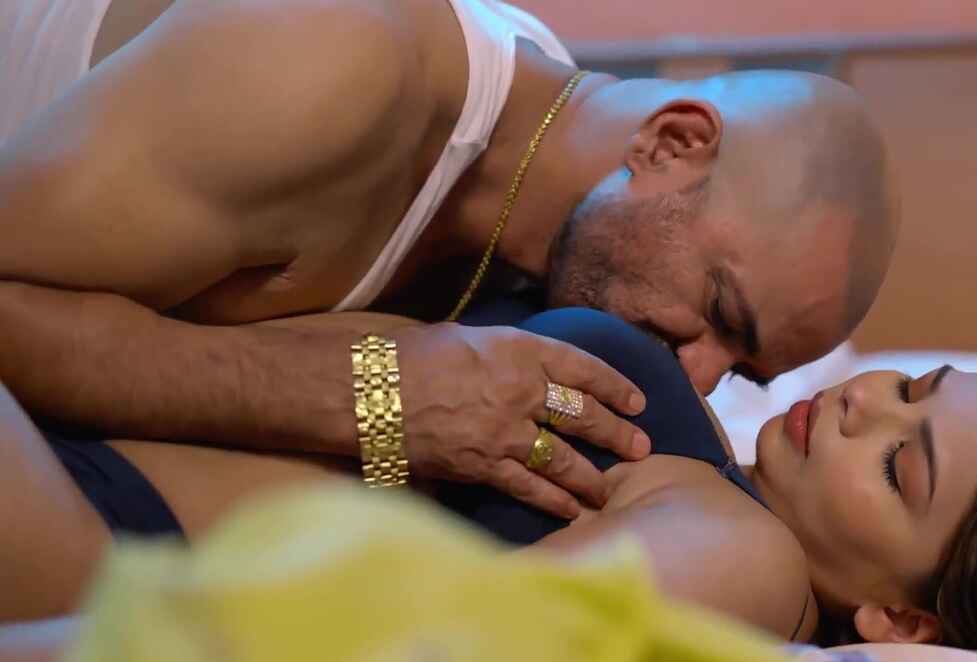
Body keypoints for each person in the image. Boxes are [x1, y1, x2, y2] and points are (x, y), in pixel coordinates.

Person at [0, 0, 896, 521]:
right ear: (670, 142)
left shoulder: (548, 237)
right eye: (721, 313)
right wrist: (365, 399)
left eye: (738, 372)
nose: (694, 375)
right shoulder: (333, 67)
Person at [0, 302, 977, 662]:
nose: (860, 405)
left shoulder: (743, 557)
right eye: (905, 386)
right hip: (83, 448)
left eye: (901, 465)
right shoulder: (706, 458)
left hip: (90, 554)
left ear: (902, 620)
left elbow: (410, 651)